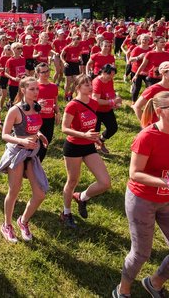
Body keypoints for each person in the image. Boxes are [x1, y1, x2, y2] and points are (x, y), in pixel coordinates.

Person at [113, 92, 169, 298]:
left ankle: (154, 282)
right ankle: (123, 289)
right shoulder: (146, 137)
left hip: (168, 200)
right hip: (142, 200)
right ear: (159, 111)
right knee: (141, 253)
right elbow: (134, 173)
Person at [0, 77, 49, 243]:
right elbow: (4, 135)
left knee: (40, 194)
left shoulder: (37, 107)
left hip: (31, 154)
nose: (35, 92)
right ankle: (7, 225)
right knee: (14, 191)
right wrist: (22, 140)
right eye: (32, 89)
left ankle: (23, 221)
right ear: (23, 90)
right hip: (17, 154)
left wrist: (39, 135)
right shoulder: (15, 110)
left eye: (37, 89)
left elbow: (34, 126)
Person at [60, 75, 111, 227]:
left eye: (90, 84)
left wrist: (95, 139)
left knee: (105, 182)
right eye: (86, 84)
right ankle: (66, 213)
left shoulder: (94, 103)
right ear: (77, 88)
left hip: (89, 146)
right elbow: (64, 128)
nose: (90, 87)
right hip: (73, 147)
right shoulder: (72, 105)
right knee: (73, 181)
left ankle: (82, 197)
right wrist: (84, 135)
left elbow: (91, 125)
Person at [133, 61, 169, 126]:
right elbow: (137, 107)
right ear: (164, 73)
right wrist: (145, 125)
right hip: (155, 126)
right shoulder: (153, 89)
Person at [91, 64, 123, 154]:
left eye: (113, 75)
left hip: (107, 110)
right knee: (95, 132)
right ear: (104, 72)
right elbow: (95, 100)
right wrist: (112, 102)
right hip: (96, 111)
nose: (112, 77)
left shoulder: (109, 80)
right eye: (110, 75)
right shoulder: (97, 82)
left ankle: (100, 141)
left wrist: (116, 100)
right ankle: (92, 149)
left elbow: (111, 93)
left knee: (113, 128)